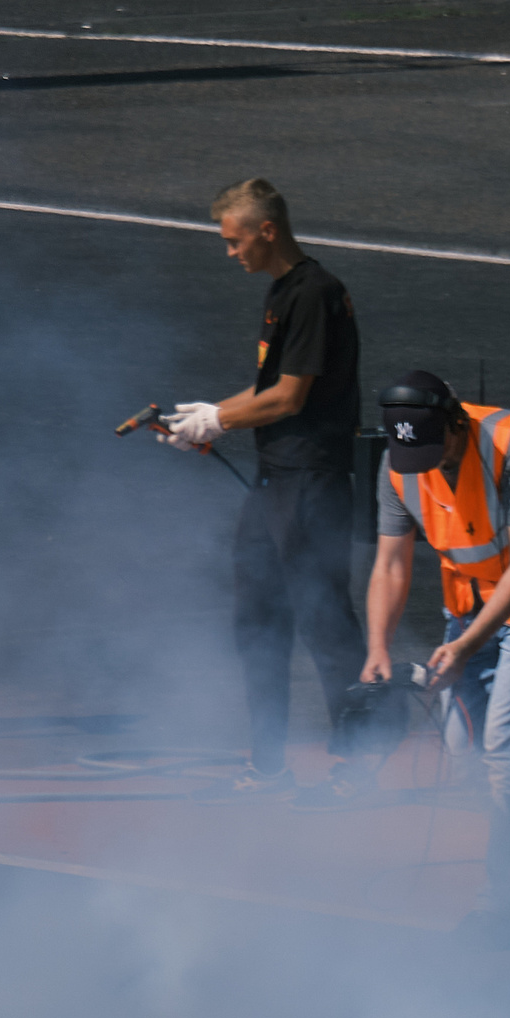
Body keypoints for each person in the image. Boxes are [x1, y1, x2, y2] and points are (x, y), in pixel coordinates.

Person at [157, 178, 368, 802]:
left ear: (267, 230)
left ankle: (359, 761)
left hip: (311, 482)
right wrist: (210, 412)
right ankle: (268, 761)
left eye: (235, 240)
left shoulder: (314, 294)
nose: (230, 253)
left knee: (325, 624)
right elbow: (269, 389)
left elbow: (290, 395)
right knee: (257, 622)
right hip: (276, 481)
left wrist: (219, 421)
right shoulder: (286, 293)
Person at [364, 372, 510, 940]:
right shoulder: (398, 464)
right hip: (465, 614)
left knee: (507, 768)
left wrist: (463, 646)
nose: (427, 465)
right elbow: (391, 564)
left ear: (457, 423)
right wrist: (378, 647)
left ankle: (501, 902)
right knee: (474, 768)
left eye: (437, 451)